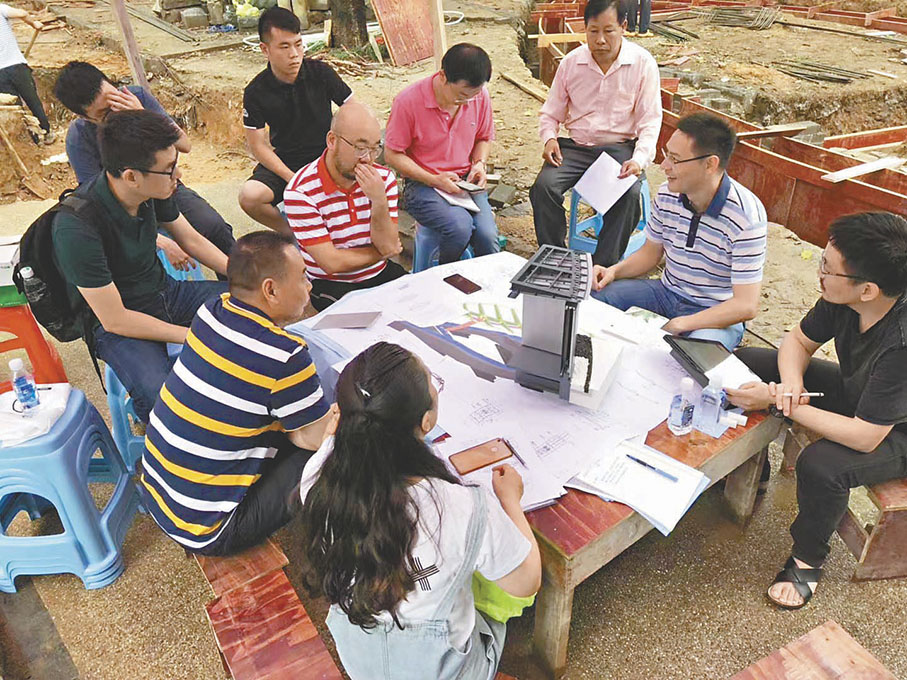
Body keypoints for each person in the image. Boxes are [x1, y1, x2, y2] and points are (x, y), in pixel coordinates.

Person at [298, 342, 541, 680]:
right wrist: (510, 500)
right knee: (498, 586)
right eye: (432, 382)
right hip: (443, 672)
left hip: (361, 662)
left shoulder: (318, 478)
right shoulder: (461, 506)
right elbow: (527, 581)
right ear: (427, 422)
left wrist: (329, 443)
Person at [726, 212, 907, 610]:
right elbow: (798, 342)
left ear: (867, 290)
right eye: (822, 261)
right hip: (862, 393)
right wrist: (790, 386)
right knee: (751, 361)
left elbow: (865, 436)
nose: (820, 273)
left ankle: (808, 559)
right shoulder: (843, 295)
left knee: (822, 465)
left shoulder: (900, 343)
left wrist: (777, 401)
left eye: (827, 268)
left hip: (895, 430)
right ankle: (750, 465)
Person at [140, 230, 332, 555]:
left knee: (285, 421)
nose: (309, 286)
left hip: (158, 492)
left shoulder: (211, 311)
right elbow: (315, 439)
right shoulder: (284, 354)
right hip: (207, 528)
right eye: (302, 277)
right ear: (271, 290)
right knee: (331, 452)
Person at [52, 109, 228, 423]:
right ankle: (161, 434)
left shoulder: (154, 189)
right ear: (131, 176)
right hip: (120, 325)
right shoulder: (76, 227)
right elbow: (115, 319)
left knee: (253, 305)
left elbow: (191, 239)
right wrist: (192, 335)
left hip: (166, 294)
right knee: (165, 398)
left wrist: (248, 280)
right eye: (169, 169)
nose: (178, 175)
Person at [591, 112, 766, 350]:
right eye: (666, 155)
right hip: (666, 292)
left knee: (692, 354)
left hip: (714, 311)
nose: (664, 166)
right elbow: (650, 254)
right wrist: (613, 271)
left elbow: (746, 305)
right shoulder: (667, 194)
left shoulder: (746, 217)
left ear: (710, 164)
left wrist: (682, 323)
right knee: (595, 300)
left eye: (675, 159)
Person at [53, 61, 236, 275]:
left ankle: (240, 284)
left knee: (214, 226)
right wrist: (162, 242)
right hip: (122, 212)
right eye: (105, 112)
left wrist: (142, 115)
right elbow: (99, 204)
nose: (116, 110)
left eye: (115, 99)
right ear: (85, 117)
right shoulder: (79, 137)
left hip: (161, 188)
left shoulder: (137, 97)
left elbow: (184, 145)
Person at [530, 0, 662, 267]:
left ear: (623, 27)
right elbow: (551, 113)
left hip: (619, 148)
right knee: (543, 188)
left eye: (608, 31)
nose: (600, 40)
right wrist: (550, 139)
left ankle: (602, 267)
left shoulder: (642, 63)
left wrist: (638, 160)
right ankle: (555, 258)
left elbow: (650, 121)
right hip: (576, 147)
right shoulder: (571, 63)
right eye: (593, 31)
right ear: (585, 29)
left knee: (628, 195)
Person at [239, 7, 353, 235]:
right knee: (250, 196)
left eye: (298, 44)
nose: (294, 54)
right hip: (288, 162)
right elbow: (258, 146)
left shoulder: (321, 73)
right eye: (284, 46)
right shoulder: (256, 91)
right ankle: (294, 234)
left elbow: (353, 110)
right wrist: (293, 179)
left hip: (329, 155)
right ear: (265, 49)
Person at [284, 101, 405, 311]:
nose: (367, 159)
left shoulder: (382, 179)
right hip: (331, 283)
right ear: (332, 140)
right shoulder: (301, 191)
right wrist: (382, 253)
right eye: (360, 148)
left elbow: (387, 244)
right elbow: (331, 263)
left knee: (420, 304)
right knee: (362, 320)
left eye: (375, 148)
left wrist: (379, 201)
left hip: (379, 272)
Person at [385, 43, 499, 265]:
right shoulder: (408, 102)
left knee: (487, 236)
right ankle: (445, 276)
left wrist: (479, 164)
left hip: (465, 182)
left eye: (473, 96)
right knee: (460, 227)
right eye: (461, 95)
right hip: (423, 185)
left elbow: (484, 137)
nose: (466, 102)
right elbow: (392, 155)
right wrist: (434, 179)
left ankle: (486, 281)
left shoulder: (479, 97)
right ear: (443, 76)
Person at [0, 4, 53, 144]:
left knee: (16, 108)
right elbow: (22, 13)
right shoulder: (1, 8)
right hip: (17, 66)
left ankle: (32, 139)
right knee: (33, 101)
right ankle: (46, 132)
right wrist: (34, 23)